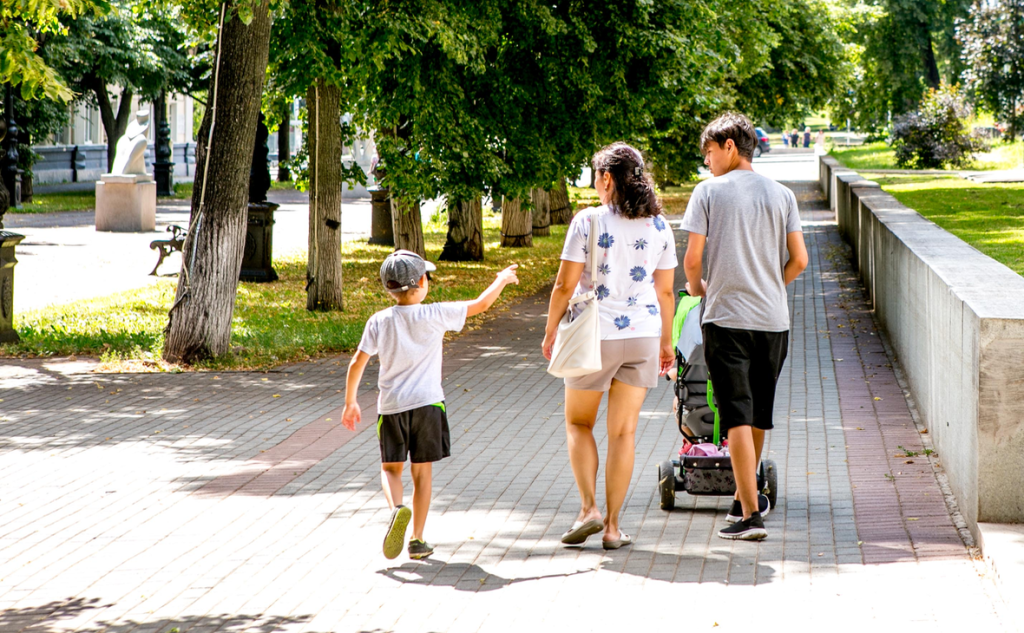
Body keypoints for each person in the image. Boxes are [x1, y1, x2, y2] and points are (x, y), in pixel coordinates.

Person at [543, 142, 677, 550]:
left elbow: (564, 284)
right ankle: (614, 528)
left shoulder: (588, 220)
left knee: (578, 424)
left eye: (596, 177)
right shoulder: (660, 226)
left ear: (606, 178)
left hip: (594, 336)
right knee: (623, 433)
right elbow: (666, 292)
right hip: (643, 336)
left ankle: (589, 510)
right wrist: (666, 343)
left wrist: (550, 331)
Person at [343, 250, 520, 560]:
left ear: (388, 287)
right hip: (428, 405)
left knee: (390, 469)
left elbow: (358, 362)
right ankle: (417, 540)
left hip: (392, 407)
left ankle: (397, 509)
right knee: (422, 474)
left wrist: (350, 401)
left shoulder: (379, 321)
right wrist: (501, 280)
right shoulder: (436, 313)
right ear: (422, 282)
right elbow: (481, 304)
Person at [681, 113, 808, 540]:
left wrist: (697, 289)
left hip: (726, 319)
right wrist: (770, 285)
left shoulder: (708, 192)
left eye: (709, 152)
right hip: (773, 322)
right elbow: (800, 260)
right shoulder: (782, 194)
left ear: (730, 146)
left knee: (735, 413)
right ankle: (743, 496)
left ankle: (750, 516)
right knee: (757, 416)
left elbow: (692, 260)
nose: (707, 161)